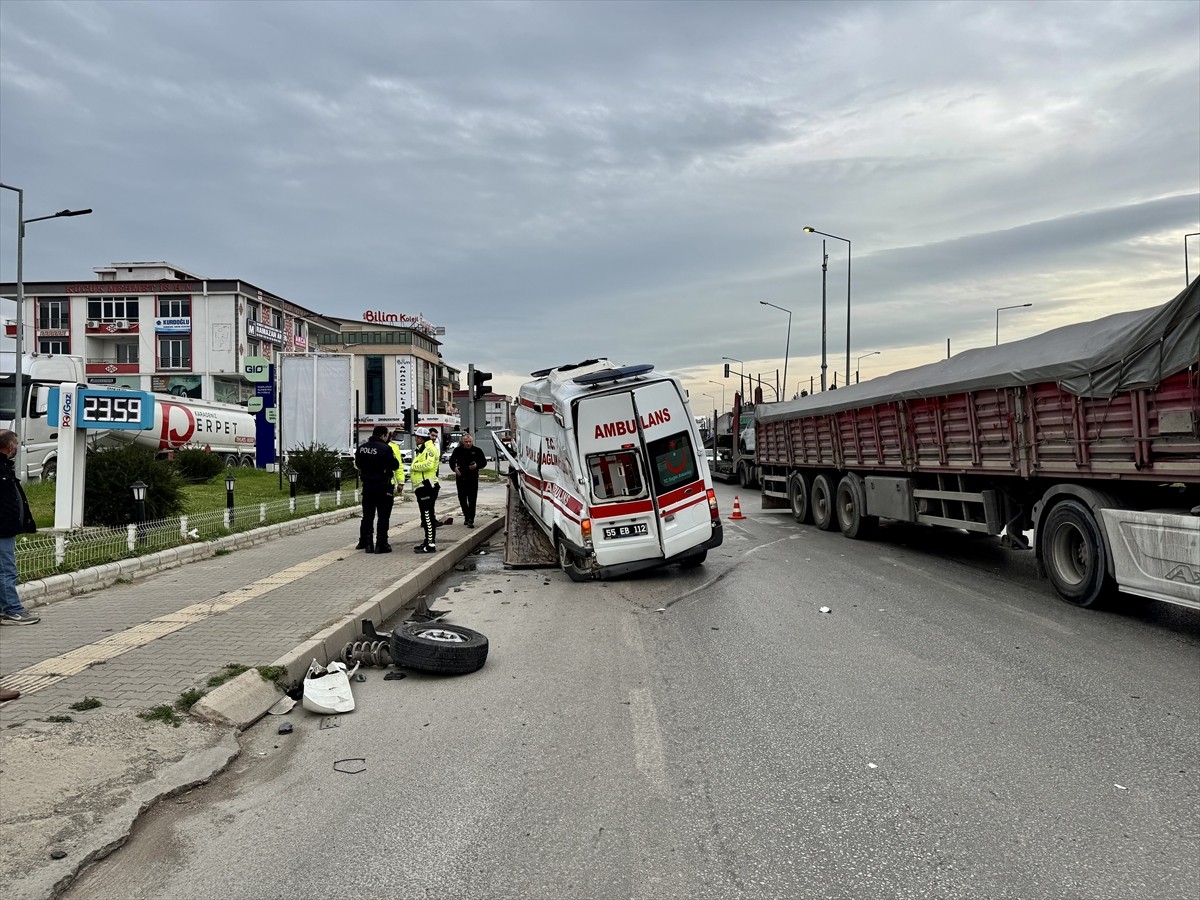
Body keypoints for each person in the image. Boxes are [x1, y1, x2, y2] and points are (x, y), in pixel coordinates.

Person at [0, 429, 40, 630]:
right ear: (9, 446)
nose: (17, 447)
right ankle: (11, 609)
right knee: (7, 570)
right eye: (16, 444)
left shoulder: (5, 467)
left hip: (6, 528)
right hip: (2, 530)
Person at [354, 425, 399, 553]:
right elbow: (395, 465)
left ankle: (368, 544)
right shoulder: (386, 448)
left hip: (367, 486)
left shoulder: (362, 448)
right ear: (384, 435)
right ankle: (381, 543)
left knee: (368, 516)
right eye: (387, 436)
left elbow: (358, 464)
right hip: (382, 486)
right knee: (383, 516)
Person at [410, 427, 442, 553]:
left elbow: (428, 464)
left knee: (427, 516)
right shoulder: (423, 449)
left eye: (416, 438)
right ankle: (428, 541)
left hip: (427, 486)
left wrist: (414, 466)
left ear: (420, 439)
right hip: (423, 486)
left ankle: (430, 545)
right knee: (426, 516)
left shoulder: (429, 449)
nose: (415, 440)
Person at [447, 432, 487, 527]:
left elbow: (483, 462)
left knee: (472, 499)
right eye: (466, 442)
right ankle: (466, 516)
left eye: (470, 441)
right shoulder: (458, 450)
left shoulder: (477, 450)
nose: (468, 443)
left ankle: (471, 519)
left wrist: (477, 465)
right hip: (461, 478)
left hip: (472, 478)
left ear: (472, 441)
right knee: (462, 499)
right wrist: (455, 469)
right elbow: (452, 461)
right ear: (463, 442)